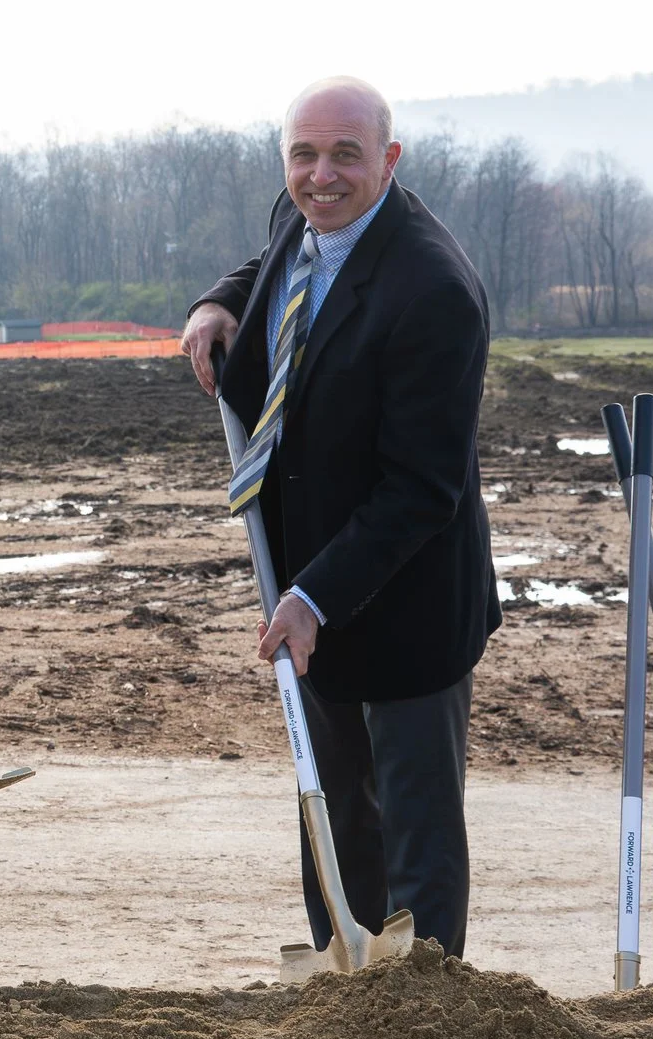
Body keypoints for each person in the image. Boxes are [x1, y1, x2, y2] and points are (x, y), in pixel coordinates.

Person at [180, 75, 496, 959]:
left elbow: (420, 489)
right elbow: (272, 261)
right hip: (308, 583)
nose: (321, 176)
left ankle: (427, 1012)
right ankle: (338, 985)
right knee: (330, 804)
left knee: (413, 829)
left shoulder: (432, 289)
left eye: (345, 156)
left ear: (388, 160)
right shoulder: (306, 218)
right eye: (303, 156)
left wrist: (313, 598)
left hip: (405, 599)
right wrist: (219, 302)